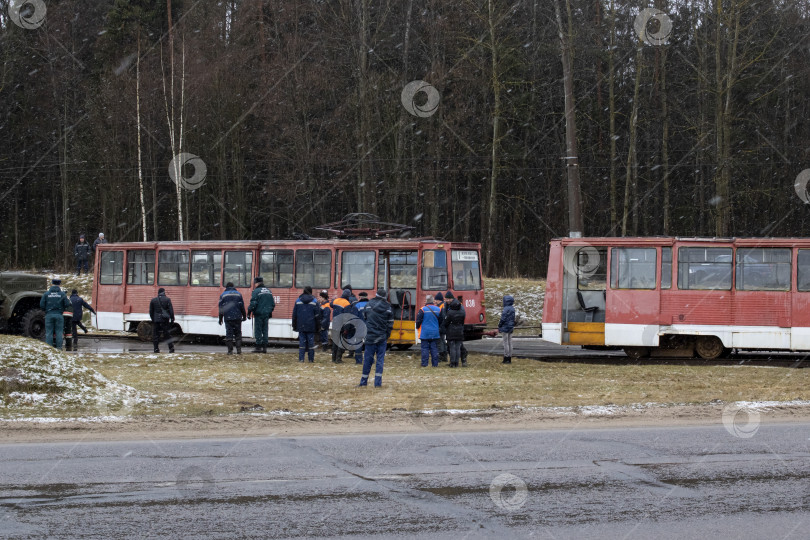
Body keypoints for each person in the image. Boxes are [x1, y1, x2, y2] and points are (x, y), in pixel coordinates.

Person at [358, 288, 394, 387]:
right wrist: (386, 335)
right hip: (381, 337)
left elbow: (364, 318)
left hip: (370, 336)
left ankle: (363, 382)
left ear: (376, 294)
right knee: (380, 360)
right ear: (385, 296)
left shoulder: (368, 304)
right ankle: (377, 383)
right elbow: (390, 324)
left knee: (367, 360)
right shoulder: (388, 307)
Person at [292, 286, 321, 362]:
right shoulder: (315, 301)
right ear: (310, 292)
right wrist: (318, 326)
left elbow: (294, 314)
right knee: (311, 343)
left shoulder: (298, 300)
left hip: (301, 325)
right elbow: (317, 315)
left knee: (302, 343)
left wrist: (294, 325)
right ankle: (311, 359)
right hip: (311, 325)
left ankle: (301, 359)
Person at [39, 278, 71, 349]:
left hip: (49, 315)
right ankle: (59, 348)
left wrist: (47, 310)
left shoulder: (46, 294)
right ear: (59, 284)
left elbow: (41, 305)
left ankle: (49, 348)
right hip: (59, 315)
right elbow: (67, 304)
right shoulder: (62, 294)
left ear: (52, 284)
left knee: (49, 332)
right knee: (59, 332)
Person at [247, 276, 275, 354]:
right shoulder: (269, 291)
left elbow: (253, 303)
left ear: (256, 283)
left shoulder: (256, 291)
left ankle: (258, 346)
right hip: (266, 314)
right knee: (265, 330)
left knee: (258, 330)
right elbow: (272, 304)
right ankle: (265, 347)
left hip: (259, 313)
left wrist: (249, 312)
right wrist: (269, 311)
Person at [219, 282, 247, 355]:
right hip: (237, 317)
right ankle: (239, 350)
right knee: (238, 334)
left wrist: (220, 319)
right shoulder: (238, 294)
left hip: (228, 318)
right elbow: (242, 306)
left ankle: (230, 351)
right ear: (233, 286)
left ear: (226, 287)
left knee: (229, 334)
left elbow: (221, 309)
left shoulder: (223, 295)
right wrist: (244, 316)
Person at [415, 294, 442, 367]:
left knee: (425, 349)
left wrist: (417, 327)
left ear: (426, 301)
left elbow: (418, 321)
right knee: (434, 349)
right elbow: (441, 320)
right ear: (433, 301)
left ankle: (424, 364)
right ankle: (435, 364)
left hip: (425, 333)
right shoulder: (438, 309)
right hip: (435, 332)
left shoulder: (423, 309)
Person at [444, 291, 468, 366]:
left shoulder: (453, 309)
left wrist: (446, 323)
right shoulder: (454, 306)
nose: (447, 301)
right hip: (458, 329)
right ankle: (457, 362)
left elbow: (446, 319)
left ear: (451, 299)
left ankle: (455, 362)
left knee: (454, 347)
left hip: (451, 329)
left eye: (448, 299)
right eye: (446, 299)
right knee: (457, 347)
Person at [330, 288, 353, 363]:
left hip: (335, 324)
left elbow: (331, 304)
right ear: (348, 296)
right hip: (342, 325)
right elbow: (347, 317)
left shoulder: (336, 301)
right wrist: (346, 328)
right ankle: (338, 359)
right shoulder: (347, 304)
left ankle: (333, 358)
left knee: (335, 342)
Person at [149, 288, 175, 353]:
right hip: (165, 320)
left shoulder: (153, 300)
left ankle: (156, 349)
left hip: (156, 320)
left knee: (156, 335)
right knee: (167, 335)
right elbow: (171, 310)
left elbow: (151, 311)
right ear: (164, 292)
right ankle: (171, 348)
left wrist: (153, 319)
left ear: (158, 292)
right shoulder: (167, 299)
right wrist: (172, 318)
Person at [352, 291, 369, 364]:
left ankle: (358, 360)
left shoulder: (357, 305)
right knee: (369, 344)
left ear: (360, 297)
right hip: (369, 327)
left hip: (359, 327)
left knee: (358, 344)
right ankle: (369, 359)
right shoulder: (370, 305)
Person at [498, 294, 516, 364]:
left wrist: (499, 325)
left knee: (505, 343)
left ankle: (506, 357)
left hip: (505, 327)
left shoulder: (505, 309)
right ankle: (510, 357)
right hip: (510, 327)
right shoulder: (512, 309)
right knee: (510, 342)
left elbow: (503, 318)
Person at [434, 292, 448, 363]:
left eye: (435, 300)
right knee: (443, 341)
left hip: (441, 326)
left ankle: (441, 356)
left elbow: (442, 317)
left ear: (438, 300)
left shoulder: (441, 306)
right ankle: (444, 356)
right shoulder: (444, 305)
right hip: (443, 327)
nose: (435, 301)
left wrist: (440, 327)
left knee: (440, 342)